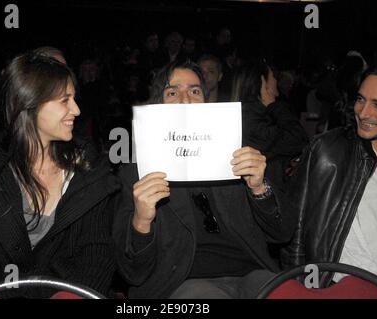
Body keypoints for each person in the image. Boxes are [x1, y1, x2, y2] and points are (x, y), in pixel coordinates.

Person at [113, 60, 296, 299]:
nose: (186, 99)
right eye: (172, 92)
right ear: (158, 103)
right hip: (185, 282)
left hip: (252, 272)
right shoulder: (137, 174)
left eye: (195, 91)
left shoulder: (236, 155)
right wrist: (141, 221)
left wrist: (260, 188)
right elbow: (132, 272)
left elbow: (282, 233)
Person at [0, 52, 120, 298]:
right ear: (29, 104)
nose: (76, 109)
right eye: (65, 100)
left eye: (74, 98)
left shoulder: (89, 169)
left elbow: (96, 253)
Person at [282, 62, 377, 284]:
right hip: (337, 285)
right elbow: (295, 234)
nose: (363, 112)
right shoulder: (330, 151)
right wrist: (303, 289)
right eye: (360, 99)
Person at [231, 59, 309, 187]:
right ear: (262, 82)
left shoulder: (254, 113)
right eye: (273, 77)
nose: (276, 81)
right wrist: (273, 104)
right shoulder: (253, 118)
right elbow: (298, 139)